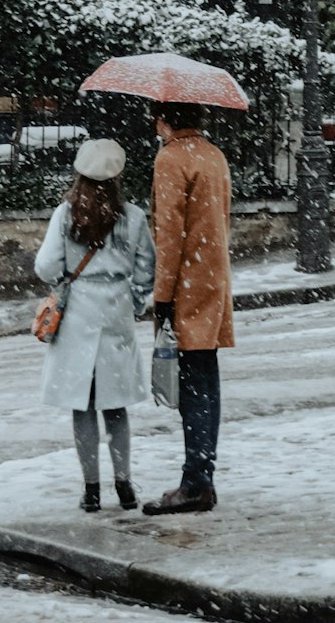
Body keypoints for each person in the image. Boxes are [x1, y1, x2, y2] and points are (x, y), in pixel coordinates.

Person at [34, 137, 155, 513]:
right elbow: (147, 269)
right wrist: (132, 300)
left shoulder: (66, 214)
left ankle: (91, 489)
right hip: (115, 309)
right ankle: (124, 484)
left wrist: (68, 278)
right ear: (118, 176)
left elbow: (46, 267)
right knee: (115, 405)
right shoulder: (133, 217)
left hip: (79, 313)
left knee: (82, 405)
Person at [143, 101, 234, 516]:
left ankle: (195, 483)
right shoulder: (213, 155)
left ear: (164, 119)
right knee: (207, 384)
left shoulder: (170, 158)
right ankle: (202, 475)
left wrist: (162, 296)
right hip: (212, 276)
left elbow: (169, 235)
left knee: (193, 388)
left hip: (186, 283)